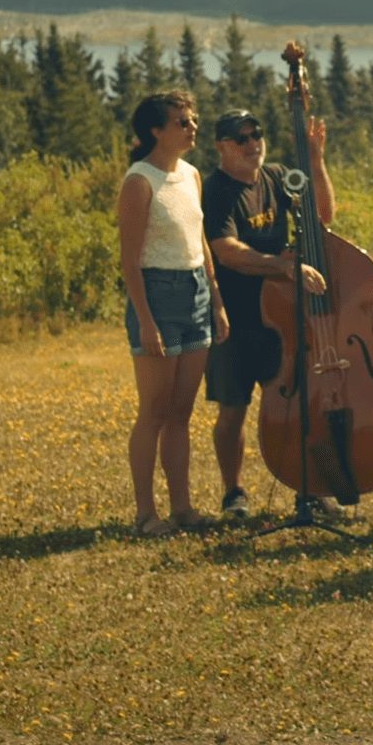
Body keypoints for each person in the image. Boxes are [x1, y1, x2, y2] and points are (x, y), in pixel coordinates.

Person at [200, 108, 334, 520]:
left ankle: (307, 489)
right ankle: (234, 493)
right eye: (240, 138)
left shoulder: (276, 177)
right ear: (222, 146)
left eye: (256, 134)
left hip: (282, 317)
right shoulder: (217, 190)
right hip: (234, 319)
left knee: (296, 407)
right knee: (232, 410)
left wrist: (315, 161)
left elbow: (322, 216)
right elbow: (226, 251)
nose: (252, 144)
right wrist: (282, 266)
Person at [116, 90, 228, 537]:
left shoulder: (192, 176)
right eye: (182, 122)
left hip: (195, 292)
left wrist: (216, 301)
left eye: (193, 119)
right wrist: (146, 321)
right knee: (155, 411)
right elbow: (129, 261)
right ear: (155, 131)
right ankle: (146, 514)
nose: (192, 127)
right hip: (157, 295)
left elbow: (199, 242)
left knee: (182, 411)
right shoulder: (139, 181)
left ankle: (183, 507)